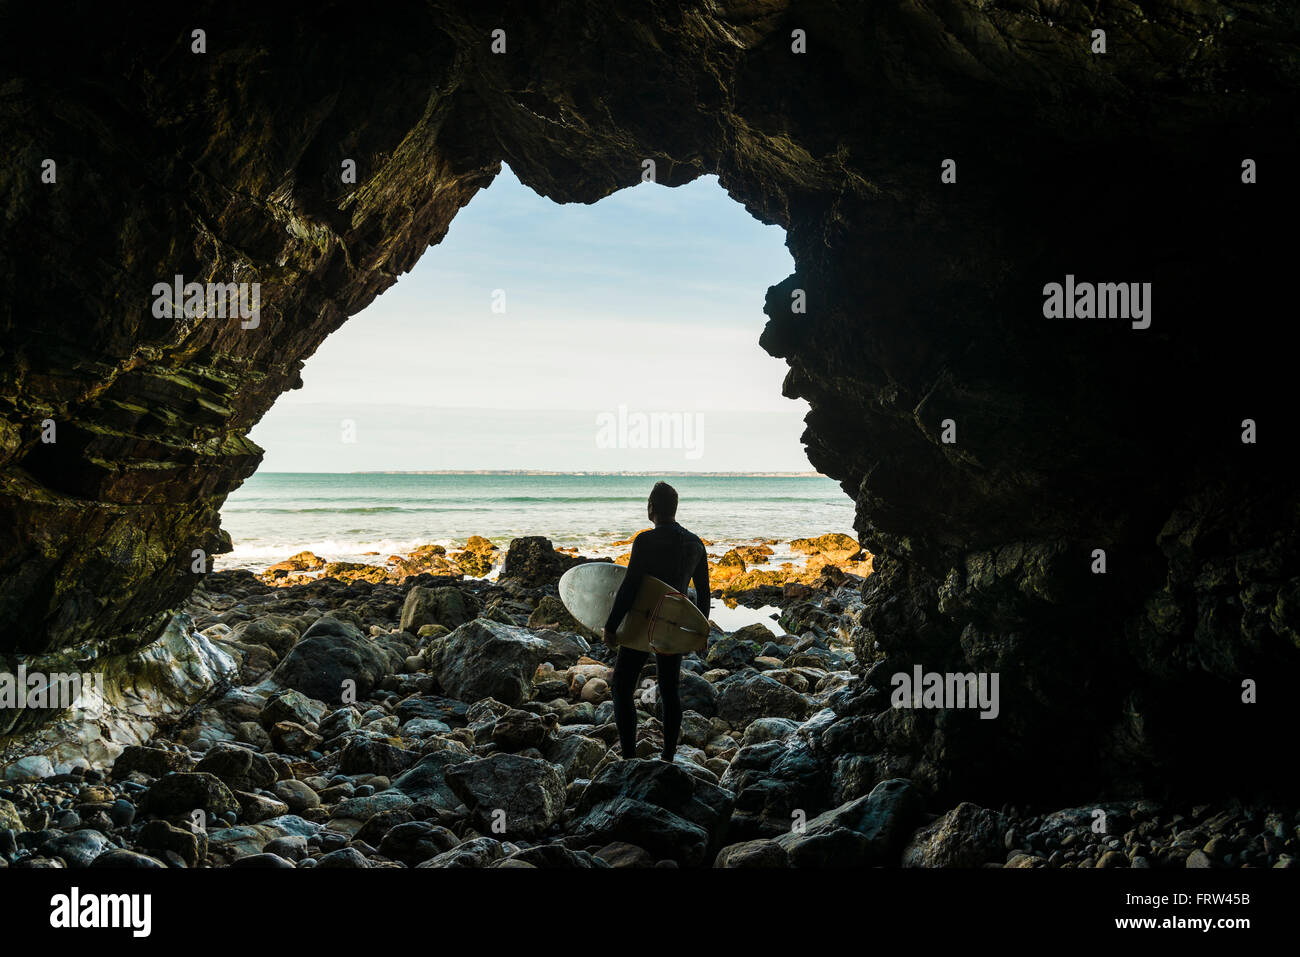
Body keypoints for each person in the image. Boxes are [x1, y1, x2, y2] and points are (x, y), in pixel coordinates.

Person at [603, 481, 710, 762]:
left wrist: (611, 626)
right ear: (674, 509)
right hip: (671, 625)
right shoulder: (695, 543)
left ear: (650, 508)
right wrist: (701, 632)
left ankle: (628, 757)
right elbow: (703, 592)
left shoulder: (645, 540)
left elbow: (629, 587)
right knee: (668, 689)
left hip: (641, 622)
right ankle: (668, 758)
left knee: (622, 687)